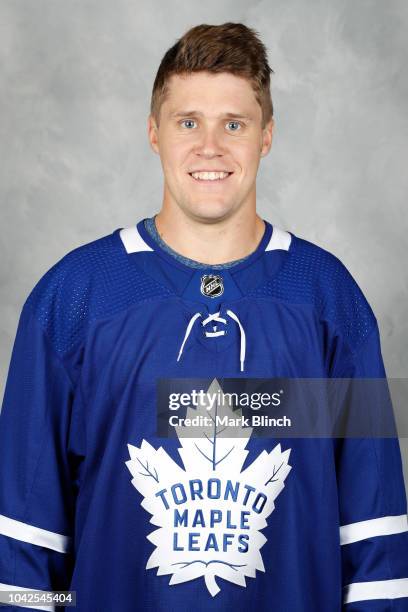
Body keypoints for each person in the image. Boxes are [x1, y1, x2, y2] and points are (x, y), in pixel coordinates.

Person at [0, 21, 407, 612]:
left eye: (234, 125)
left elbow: (377, 546)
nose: (209, 147)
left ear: (266, 136)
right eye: (188, 122)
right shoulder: (73, 298)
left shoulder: (329, 300)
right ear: (153, 133)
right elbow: (23, 546)